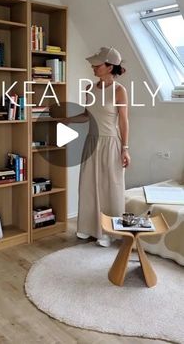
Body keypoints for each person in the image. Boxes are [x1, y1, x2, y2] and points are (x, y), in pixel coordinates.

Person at [64, 46, 131, 247]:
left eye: (97, 64)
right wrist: (67, 118)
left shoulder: (119, 90)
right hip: (92, 141)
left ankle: (108, 232)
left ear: (109, 67)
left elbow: (124, 121)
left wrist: (125, 148)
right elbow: (87, 115)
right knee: (88, 185)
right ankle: (88, 227)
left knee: (109, 187)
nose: (93, 67)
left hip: (111, 142)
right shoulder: (89, 89)